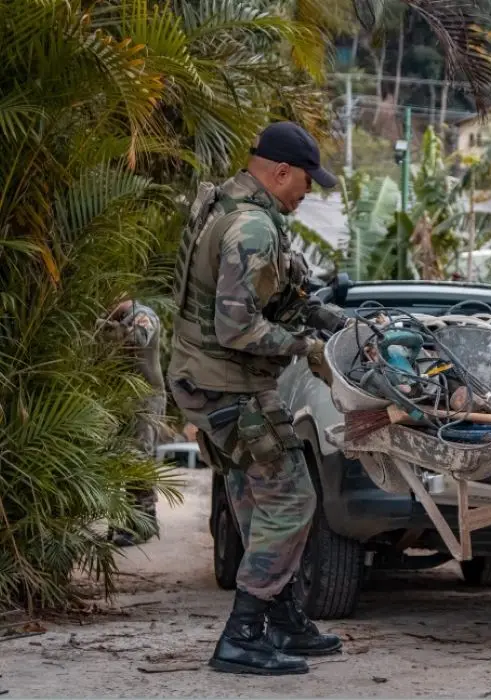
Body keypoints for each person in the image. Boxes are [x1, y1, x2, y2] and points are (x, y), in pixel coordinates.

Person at [168, 121, 344, 676]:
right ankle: (242, 635)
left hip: (213, 380)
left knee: (254, 498)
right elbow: (238, 328)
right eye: (307, 181)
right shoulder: (252, 227)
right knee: (291, 500)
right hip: (227, 382)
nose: (309, 192)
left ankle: (283, 620)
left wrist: (323, 316)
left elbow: (271, 295)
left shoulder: (231, 205)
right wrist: (306, 347)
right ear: (282, 172)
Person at [99, 298, 166, 547]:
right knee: (125, 459)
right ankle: (130, 520)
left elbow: (139, 338)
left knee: (139, 458)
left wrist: (105, 328)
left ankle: (143, 523)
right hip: (127, 400)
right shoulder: (124, 319)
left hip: (145, 401)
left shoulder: (142, 314)